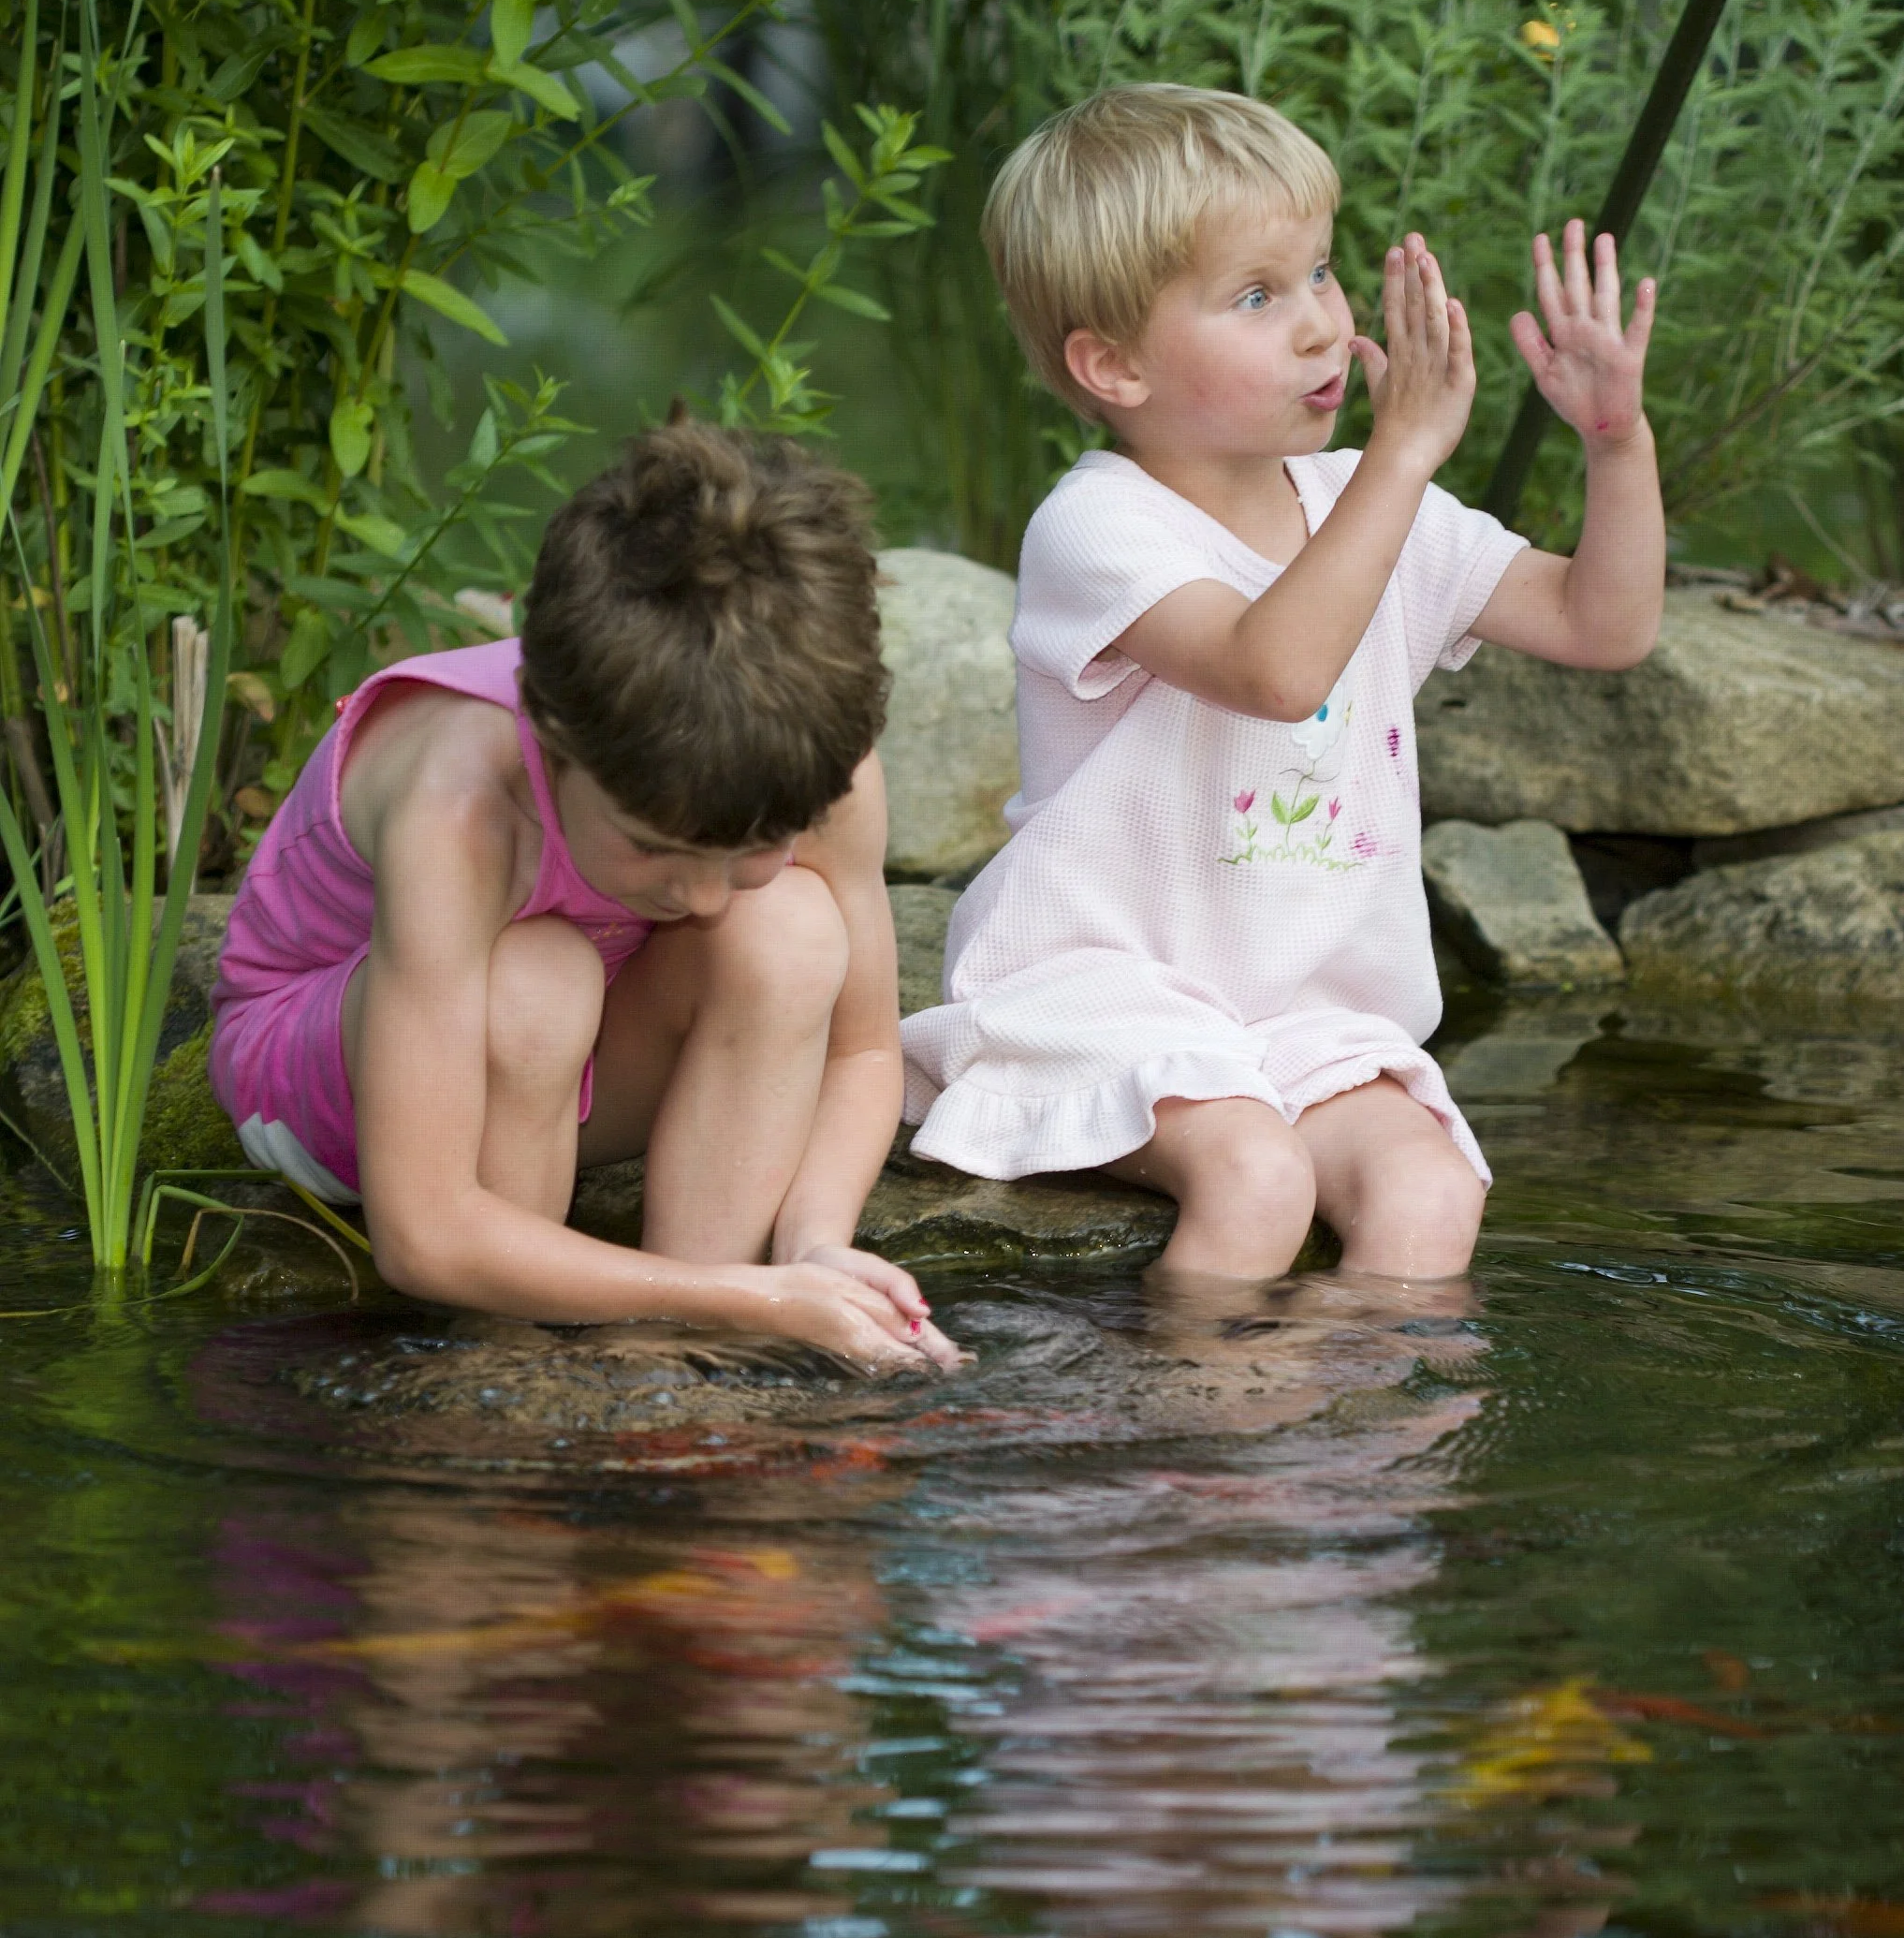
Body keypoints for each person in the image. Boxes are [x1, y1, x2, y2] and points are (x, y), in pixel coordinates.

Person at [901, 83, 1662, 1284]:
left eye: (1318, 274)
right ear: (1115, 364)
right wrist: (1406, 455)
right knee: (1255, 1180)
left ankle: (1311, 1463)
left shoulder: (1369, 503)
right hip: (1105, 985)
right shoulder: (1100, 524)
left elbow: (1603, 622)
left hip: (1301, 1018)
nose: (1319, 325)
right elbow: (1274, 670)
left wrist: (1617, 444)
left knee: (1430, 1196)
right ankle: (1178, 1446)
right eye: (1257, 296)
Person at [211, 417, 960, 1371]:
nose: (699, 898)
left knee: (793, 933)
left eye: (750, 850)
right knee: (541, 978)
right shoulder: (460, 807)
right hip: (334, 1070)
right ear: (556, 738)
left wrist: (810, 1248)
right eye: (656, 851)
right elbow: (423, 1231)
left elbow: (860, 1052)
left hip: (576, 1042)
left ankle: (673, 1366)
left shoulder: (810, 760)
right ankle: (514, 1371)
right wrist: (749, 1299)